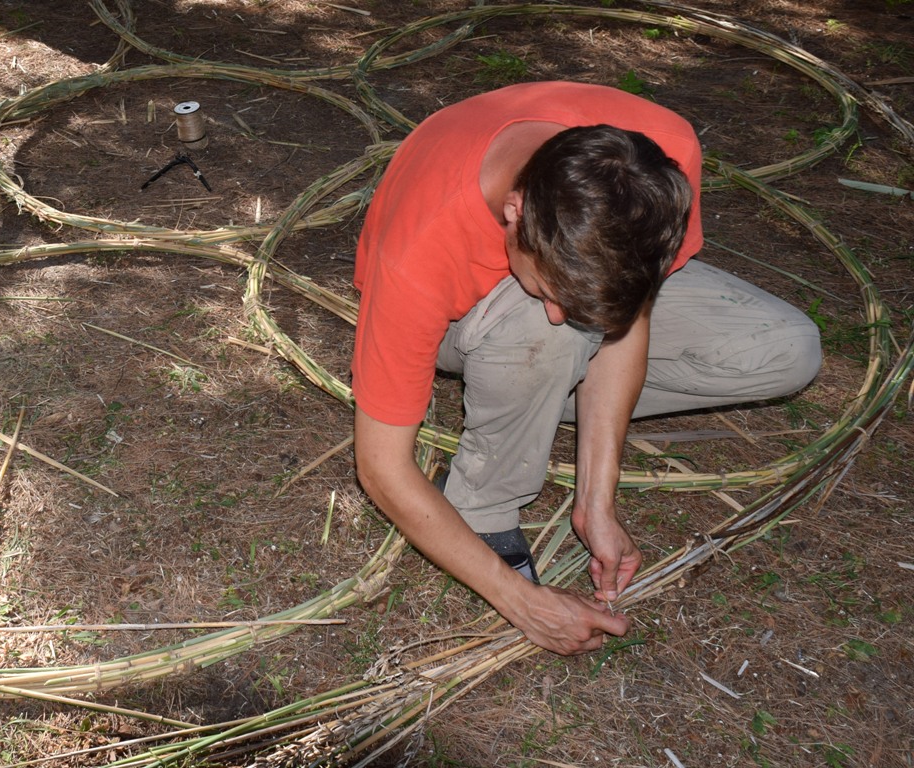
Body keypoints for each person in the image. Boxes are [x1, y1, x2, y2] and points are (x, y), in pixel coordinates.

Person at [350, 81, 821, 656]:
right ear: (513, 214)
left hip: (571, 285)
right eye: (550, 288)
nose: (559, 310)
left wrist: (597, 501)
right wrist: (521, 602)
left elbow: (627, 311)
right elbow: (380, 467)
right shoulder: (421, 250)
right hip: (460, 319)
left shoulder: (660, 160)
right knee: (546, 328)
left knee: (786, 351)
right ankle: (482, 502)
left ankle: (529, 395)